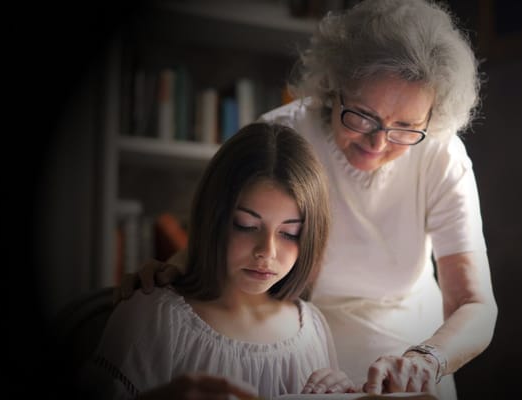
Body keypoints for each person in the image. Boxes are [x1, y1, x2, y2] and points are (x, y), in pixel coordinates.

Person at [116, 1, 498, 399]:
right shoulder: (281, 137)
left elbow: (474, 304)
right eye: (363, 116)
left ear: (430, 120)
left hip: (411, 366)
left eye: (406, 128)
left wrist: (427, 360)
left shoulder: (440, 154)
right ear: (334, 87)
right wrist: (166, 277)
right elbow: (226, 235)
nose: (378, 142)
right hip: (303, 360)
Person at [86, 122, 357, 399]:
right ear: (213, 218)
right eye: (246, 225)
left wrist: (340, 392)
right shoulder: (154, 317)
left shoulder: (311, 328)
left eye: (290, 233)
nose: (267, 251)